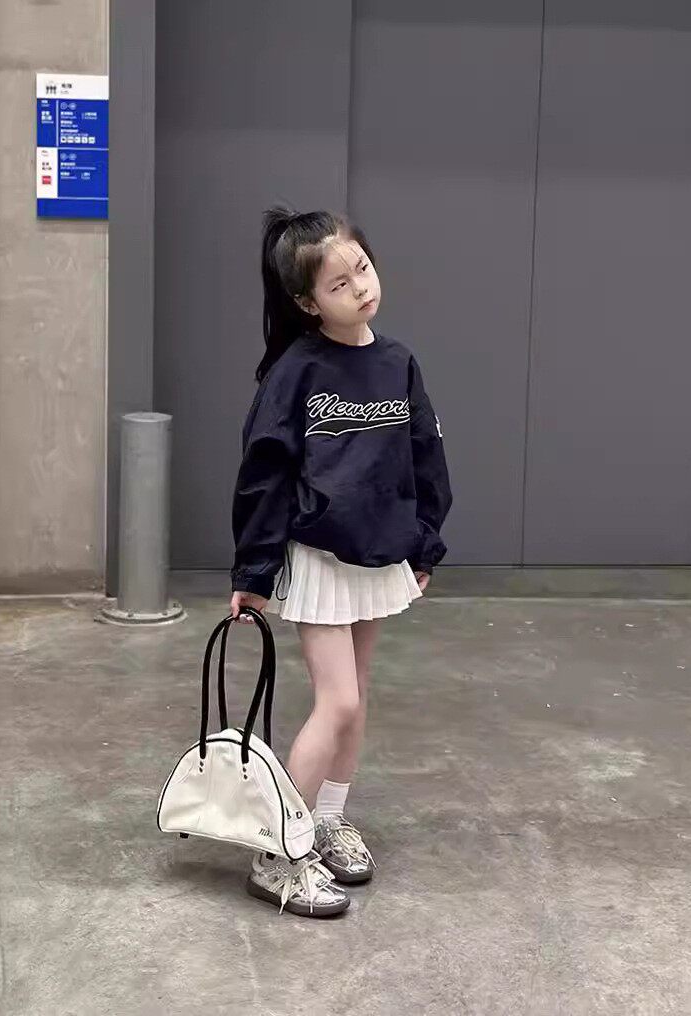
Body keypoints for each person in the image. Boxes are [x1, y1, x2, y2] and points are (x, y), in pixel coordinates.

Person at [229, 207, 452, 918]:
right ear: (306, 302)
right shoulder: (297, 372)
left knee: (357, 695)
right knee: (340, 701)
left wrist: (424, 541)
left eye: (362, 268)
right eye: (339, 283)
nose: (361, 287)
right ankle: (278, 853)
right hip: (319, 557)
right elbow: (264, 475)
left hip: (379, 552)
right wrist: (253, 574)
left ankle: (326, 821)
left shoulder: (398, 362)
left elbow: (425, 457)